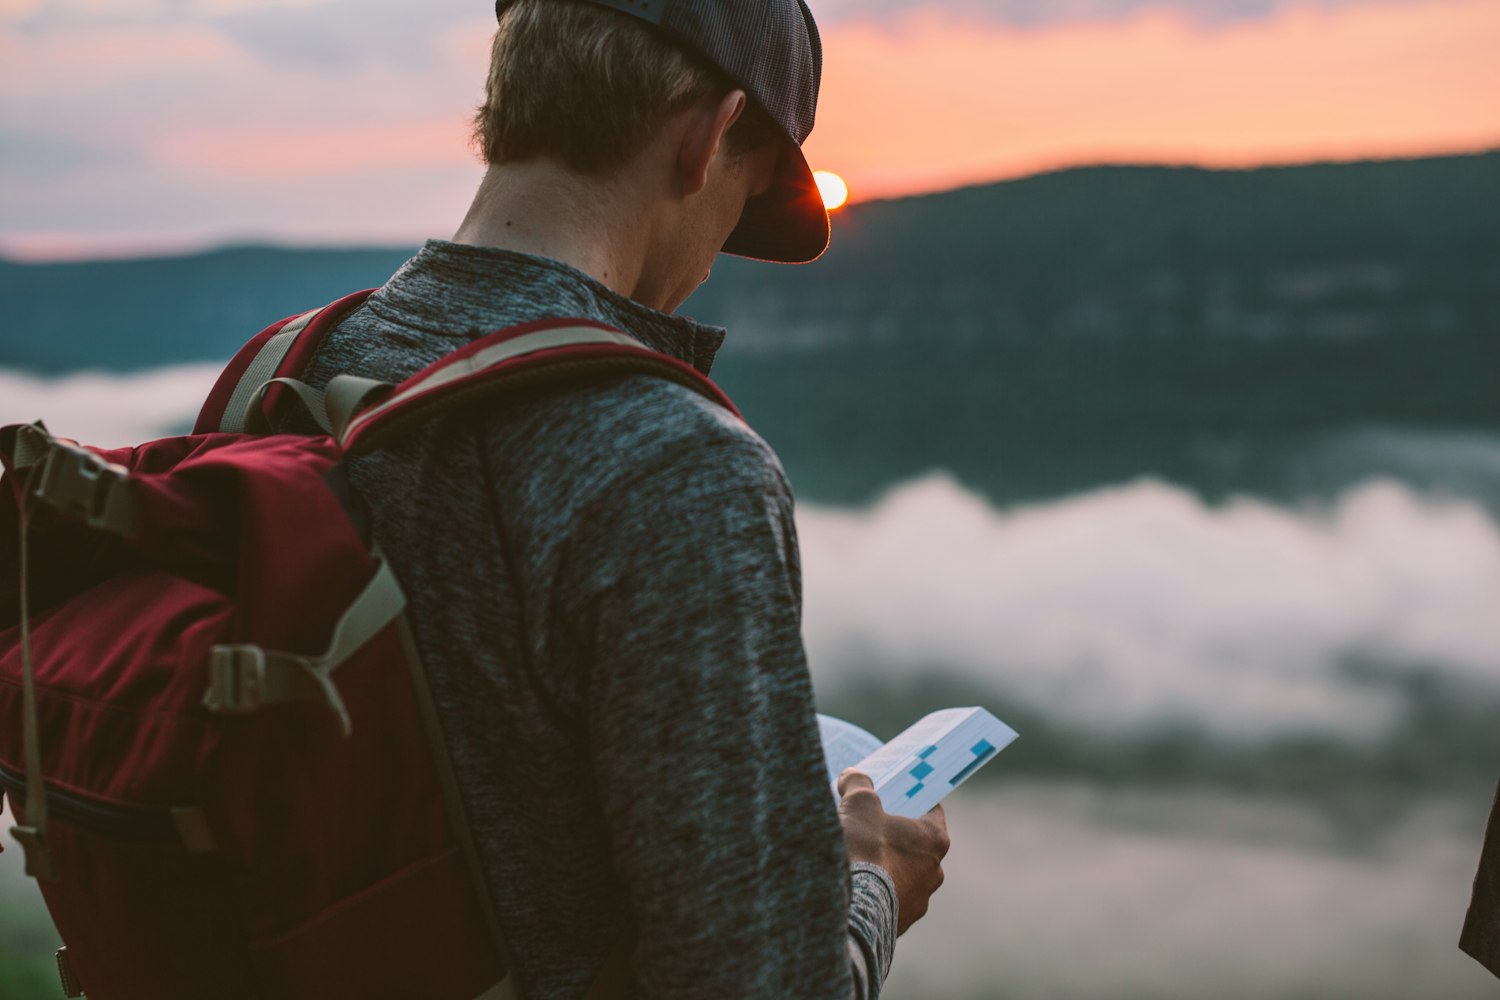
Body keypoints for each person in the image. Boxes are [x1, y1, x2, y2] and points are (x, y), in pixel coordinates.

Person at [288, 1, 951, 996]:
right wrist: (872, 890)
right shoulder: (673, 462)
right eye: (742, 200)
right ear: (710, 133)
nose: (712, 252)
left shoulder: (286, 374)